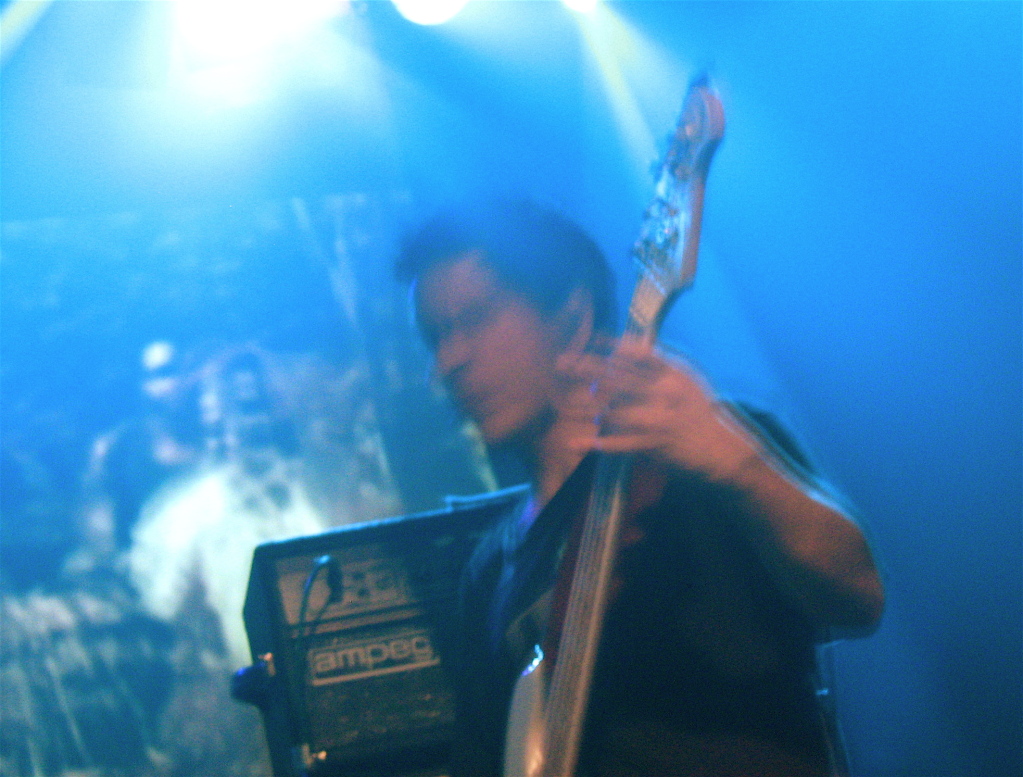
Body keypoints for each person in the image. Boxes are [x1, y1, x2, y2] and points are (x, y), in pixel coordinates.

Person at [396, 200, 884, 777]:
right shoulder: (489, 571)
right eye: (435, 337)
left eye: (475, 320)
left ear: (574, 316)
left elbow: (858, 598)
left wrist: (738, 463)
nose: (448, 361)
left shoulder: (702, 458)